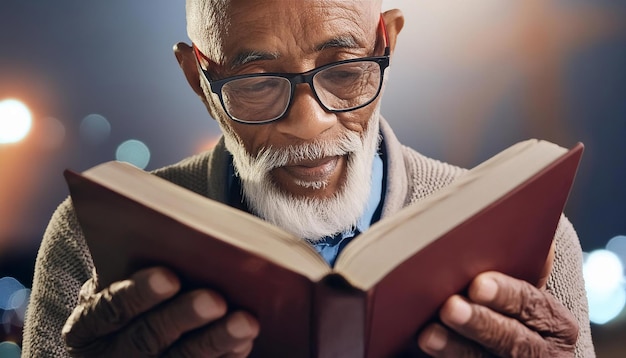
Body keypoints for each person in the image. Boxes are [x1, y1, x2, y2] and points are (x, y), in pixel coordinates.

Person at [22, 0, 594, 356]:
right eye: (256, 82)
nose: (309, 122)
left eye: (345, 72)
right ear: (199, 78)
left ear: (386, 42)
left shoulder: (537, 238)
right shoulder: (89, 238)